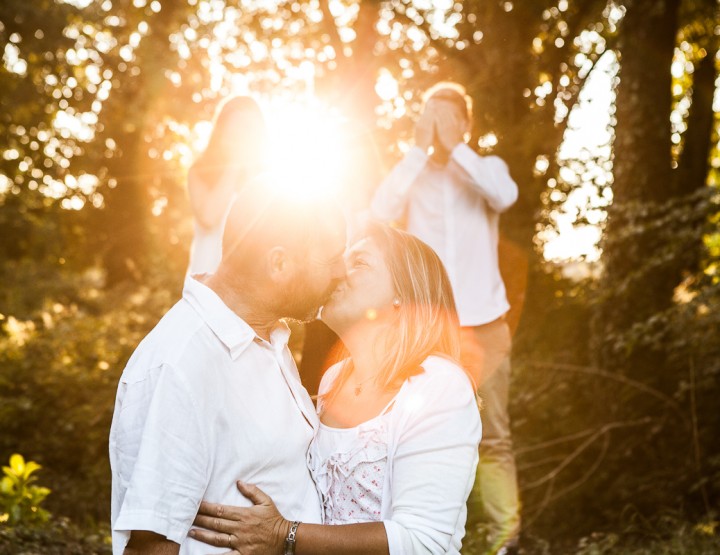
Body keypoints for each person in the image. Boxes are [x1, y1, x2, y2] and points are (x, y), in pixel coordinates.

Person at [189, 222, 482, 554]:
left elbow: (421, 541)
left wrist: (284, 533)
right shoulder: (333, 381)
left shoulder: (438, 385)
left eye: (360, 262)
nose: (339, 270)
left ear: (404, 293)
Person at [109, 177, 347, 554]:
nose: (341, 272)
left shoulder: (268, 338)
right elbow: (150, 545)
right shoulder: (182, 362)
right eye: (332, 259)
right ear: (279, 263)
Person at [370, 82, 521, 554]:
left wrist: (457, 148)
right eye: (431, 116)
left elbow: (505, 196)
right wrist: (418, 150)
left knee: (494, 436)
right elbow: (379, 211)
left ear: (465, 123)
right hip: (428, 330)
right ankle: (415, 536)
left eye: (448, 117)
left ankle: (505, 543)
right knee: (412, 430)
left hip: (485, 326)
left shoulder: (486, 170)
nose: (439, 126)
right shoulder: (412, 175)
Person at [186, 96, 267, 276]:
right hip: (207, 276)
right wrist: (234, 163)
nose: (243, 134)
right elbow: (209, 217)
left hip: (250, 281)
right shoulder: (200, 171)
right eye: (237, 126)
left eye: (249, 127)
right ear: (222, 129)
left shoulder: (265, 175)